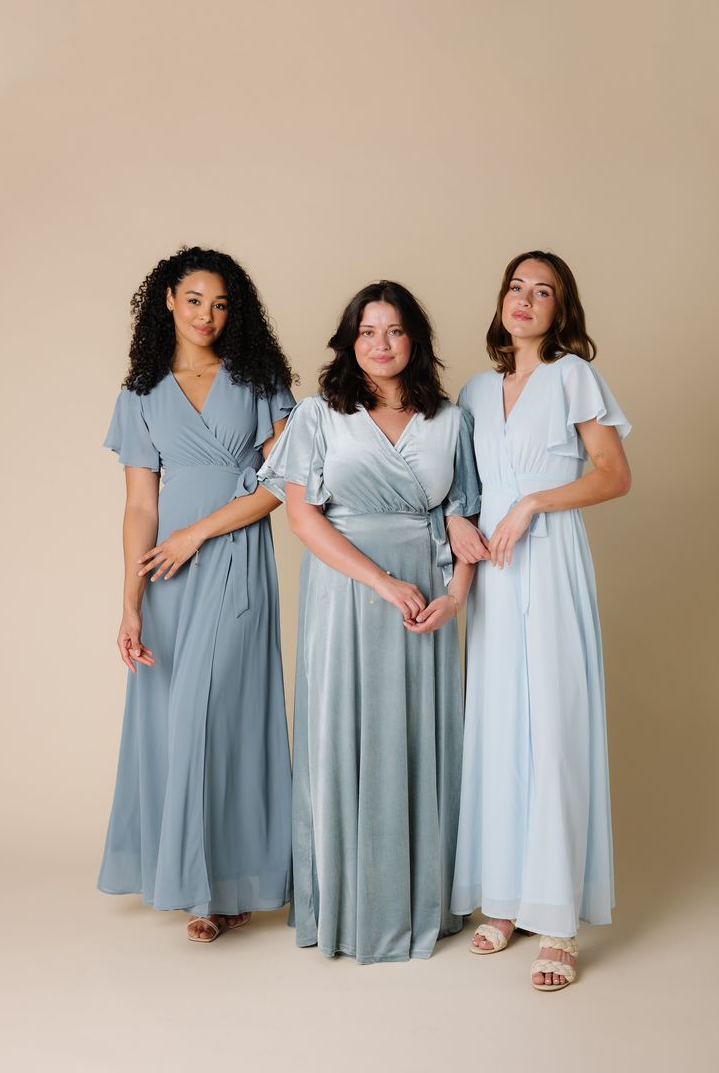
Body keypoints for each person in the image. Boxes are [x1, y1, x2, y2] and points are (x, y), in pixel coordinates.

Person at [258, 281, 480, 964]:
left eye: (393, 330)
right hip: (348, 592)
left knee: (419, 737)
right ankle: (346, 905)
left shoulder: (450, 420)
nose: (380, 344)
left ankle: (422, 901)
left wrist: (457, 594)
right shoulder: (318, 415)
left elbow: (465, 518)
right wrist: (382, 581)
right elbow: (301, 517)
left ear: (415, 339)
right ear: (350, 343)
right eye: (366, 332)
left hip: (428, 602)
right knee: (342, 733)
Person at [99, 245, 295, 943]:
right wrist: (129, 601)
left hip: (234, 558)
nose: (207, 315)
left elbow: (284, 482)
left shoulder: (262, 378)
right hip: (165, 576)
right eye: (194, 300)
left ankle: (224, 883)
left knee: (223, 714)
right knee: (174, 718)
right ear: (167, 302)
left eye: (220, 303)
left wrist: (200, 534)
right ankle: (205, 883)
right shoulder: (140, 393)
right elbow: (139, 508)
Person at [447, 250, 632, 990]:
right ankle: (505, 899)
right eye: (516, 287)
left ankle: (557, 920)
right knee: (497, 728)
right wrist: (461, 523)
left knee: (553, 727)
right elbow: (458, 488)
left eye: (543, 291)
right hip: (492, 571)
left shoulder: (573, 377)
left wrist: (531, 503)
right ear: (500, 302)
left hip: (550, 563)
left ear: (561, 311)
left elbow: (614, 475)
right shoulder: (471, 390)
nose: (525, 300)